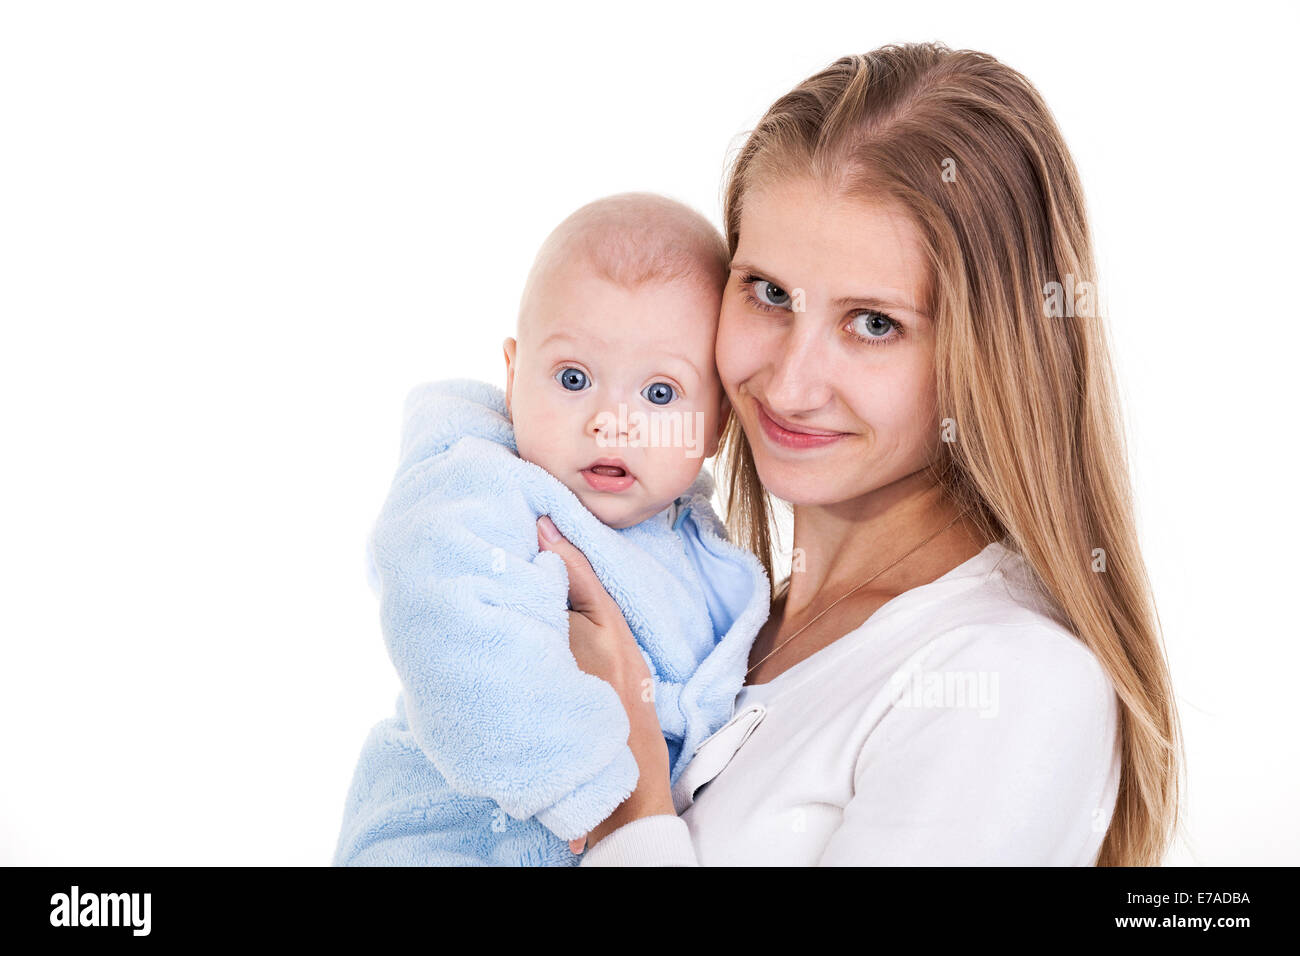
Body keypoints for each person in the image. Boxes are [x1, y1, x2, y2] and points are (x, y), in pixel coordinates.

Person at [539, 42, 1183, 866]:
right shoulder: (719, 620)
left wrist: (624, 799)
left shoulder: (1013, 681)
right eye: (769, 293)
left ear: (990, 356)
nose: (791, 383)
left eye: (873, 323)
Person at [331, 193, 772, 866]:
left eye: (659, 394)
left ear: (716, 425)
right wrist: (580, 780)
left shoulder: (699, 544)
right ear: (511, 378)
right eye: (573, 378)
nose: (609, 422)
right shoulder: (480, 489)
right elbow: (453, 629)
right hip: (454, 840)